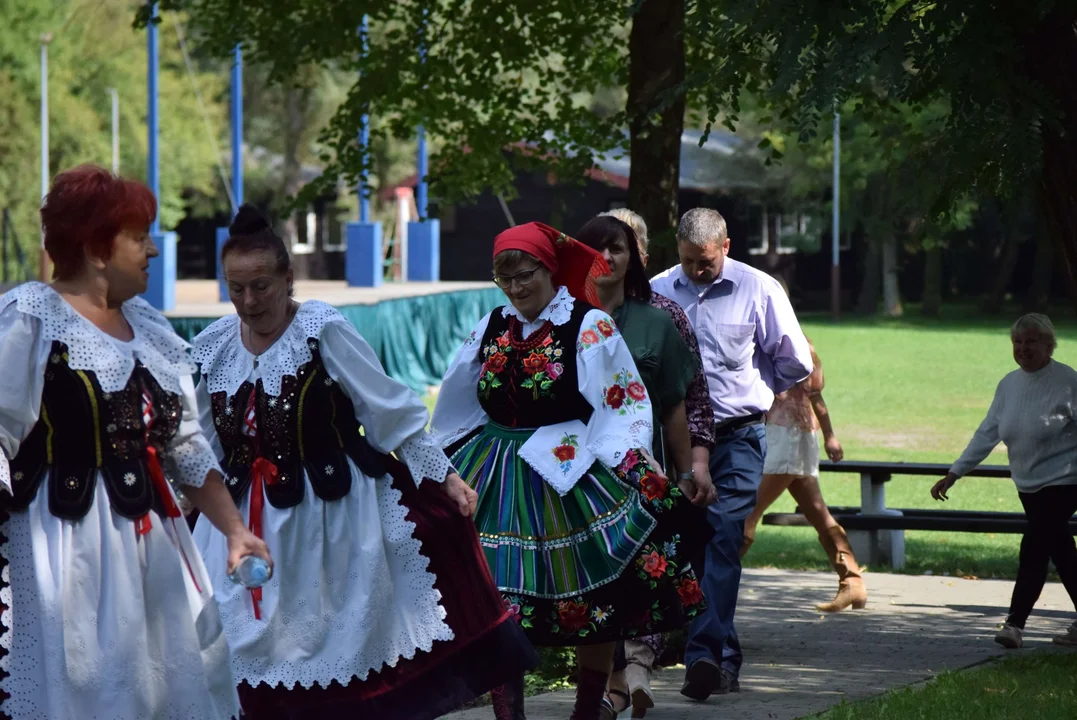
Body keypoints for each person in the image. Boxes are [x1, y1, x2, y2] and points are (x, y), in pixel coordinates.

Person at [191, 206, 536, 719]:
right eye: (235, 288)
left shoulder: (320, 330)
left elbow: (388, 411)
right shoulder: (215, 346)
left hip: (328, 517)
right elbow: (197, 442)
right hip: (243, 523)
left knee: (333, 645)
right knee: (228, 641)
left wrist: (444, 476)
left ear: (288, 278)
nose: (247, 301)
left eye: (260, 286)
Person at [0, 165, 270, 720]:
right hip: (64, 548)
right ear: (98, 248)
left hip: (154, 547)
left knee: (165, 685)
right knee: (84, 685)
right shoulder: (31, 319)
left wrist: (236, 532)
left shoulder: (150, 328)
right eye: (139, 236)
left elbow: (187, 449)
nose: (153, 249)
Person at [432, 221, 713, 720]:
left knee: (597, 592)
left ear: (550, 268)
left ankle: (588, 709)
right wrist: (441, 461)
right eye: (506, 279)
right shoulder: (492, 325)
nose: (517, 288)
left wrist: (631, 467)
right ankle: (508, 713)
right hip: (497, 474)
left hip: (572, 470)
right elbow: (458, 401)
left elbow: (621, 403)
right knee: (499, 597)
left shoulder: (588, 325)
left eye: (525, 276)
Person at [651, 208, 813, 701]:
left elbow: (795, 361)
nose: (696, 273)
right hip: (676, 438)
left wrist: (756, 392)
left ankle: (701, 655)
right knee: (693, 546)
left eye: (705, 262)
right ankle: (723, 657)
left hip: (738, 435)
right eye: (687, 263)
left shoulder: (760, 289)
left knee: (724, 535)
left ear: (726, 245)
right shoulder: (658, 290)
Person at [577, 214, 716, 718]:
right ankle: (611, 683)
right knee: (592, 581)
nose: (608, 258)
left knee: (642, 573)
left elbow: (679, 403)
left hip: (643, 472)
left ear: (633, 256)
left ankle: (633, 673)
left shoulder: (657, 320)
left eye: (618, 248)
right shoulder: (564, 318)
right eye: (597, 249)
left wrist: (688, 470)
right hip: (577, 477)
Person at [932, 313, 1077, 650]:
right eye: (1017, 342)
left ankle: (1014, 624)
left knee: (1035, 546)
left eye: (1031, 342)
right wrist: (955, 472)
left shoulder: (1068, 381)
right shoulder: (1009, 384)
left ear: (1049, 345)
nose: (1023, 348)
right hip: (1027, 483)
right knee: (1061, 550)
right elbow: (988, 432)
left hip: (1066, 479)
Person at [740, 285, 863, 611]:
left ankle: (709, 587)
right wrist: (827, 436)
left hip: (784, 440)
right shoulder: (790, 343)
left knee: (747, 514)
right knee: (818, 514)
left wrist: (831, 436)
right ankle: (852, 581)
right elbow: (814, 400)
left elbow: (814, 399)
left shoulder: (787, 346)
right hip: (797, 440)